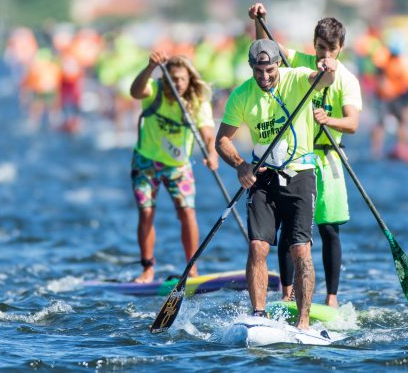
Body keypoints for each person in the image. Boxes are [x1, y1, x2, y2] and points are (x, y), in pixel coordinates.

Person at [216, 39, 336, 329]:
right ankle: (259, 315)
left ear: (278, 64)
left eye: (269, 70)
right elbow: (222, 140)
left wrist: (328, 69)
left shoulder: (296, 79)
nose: (265, 77)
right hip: (263, 176)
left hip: (300, 173)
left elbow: (325, 79)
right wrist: (240, 165)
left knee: (300, 251)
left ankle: (303, 322)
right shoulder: (242, 95)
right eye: (258, 72)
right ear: (251, 68)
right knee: (258, 246)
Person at [248, 4, 362, 308]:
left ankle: (332, 298)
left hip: (328, 157)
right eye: (321, 48)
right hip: (296, 159)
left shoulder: (347, 79)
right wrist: (261, 21)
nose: (325, 55)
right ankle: (288, 293)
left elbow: (352, 124)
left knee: (327, 229)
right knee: (290, 228)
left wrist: (329, 120)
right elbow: (266, 48)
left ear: (341, 48)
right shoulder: (299, 62)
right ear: (314, 45)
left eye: (331, 50)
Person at [129, 52, 218, 283]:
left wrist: (211, 153)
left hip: (178, 166)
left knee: (187, 213)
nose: (177, 83)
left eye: (181, 79)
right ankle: (147, 269)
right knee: (146, 212)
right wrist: (150, 68)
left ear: (189, 80)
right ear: (165, 78)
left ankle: (192, 269)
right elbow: (135, 92)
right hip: (146, 161)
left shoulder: (197, 100)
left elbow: (207, 133)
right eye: (173, 78)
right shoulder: (155, 89)